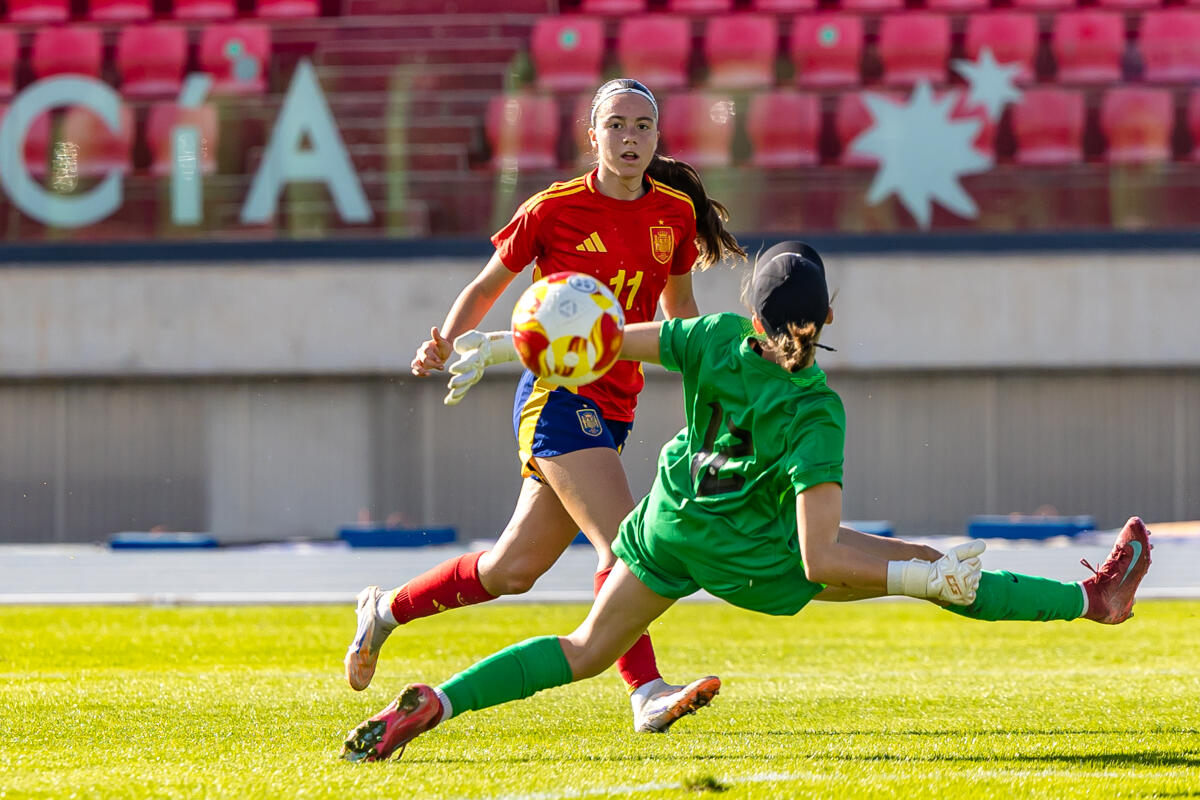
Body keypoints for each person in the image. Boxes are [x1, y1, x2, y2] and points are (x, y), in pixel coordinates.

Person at [340, 241, 1153, 762]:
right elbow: (817, 557)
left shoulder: (713, 339)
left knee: (587, 647)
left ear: (752, 311)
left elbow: (605, 340)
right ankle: (1093, 600)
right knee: (944, 571)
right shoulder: (814, 409)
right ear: (828, 316)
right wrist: (913, 578)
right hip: (753, 556)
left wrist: (499, 344)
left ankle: (442, 701)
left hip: (668, 521)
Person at [343, 78, 746, 733]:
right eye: (616, 125)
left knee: (513, 569)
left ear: (658, 137)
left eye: (643, 126)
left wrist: (713, 392)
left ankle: (385, 609)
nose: (630, 138)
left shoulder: (672, 215)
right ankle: (645, 692)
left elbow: (681, 324)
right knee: (624, 543)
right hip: (556, 398)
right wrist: (444, 340)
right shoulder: (553, 209)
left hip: (616, 407)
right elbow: (486, 285)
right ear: (592, 136)